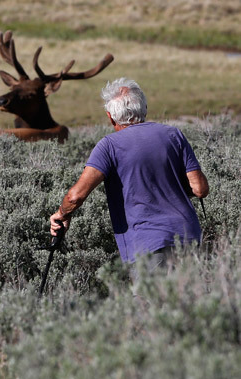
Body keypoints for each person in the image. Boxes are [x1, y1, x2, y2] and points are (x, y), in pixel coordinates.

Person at [49, 78, 209, 275]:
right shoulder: (174, 134)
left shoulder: (108, 146)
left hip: (148, 244)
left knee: (151, 304)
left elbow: (75, 196)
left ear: (110, 117)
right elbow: (200, 189)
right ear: (145, 108)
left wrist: (62, 214)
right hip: (189, 237)